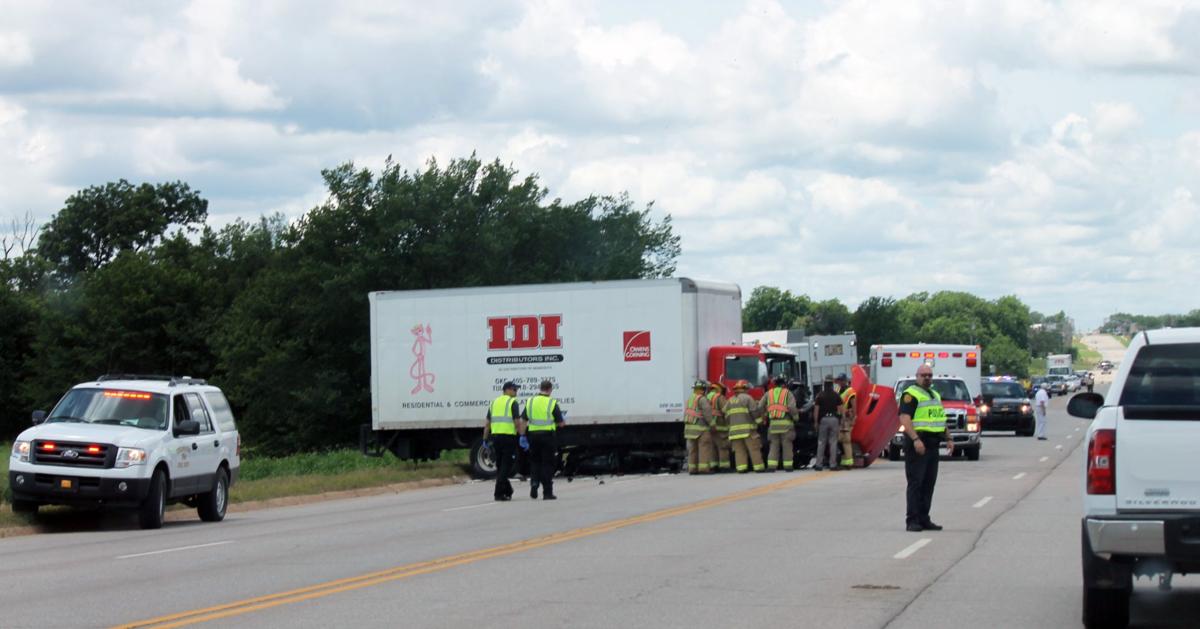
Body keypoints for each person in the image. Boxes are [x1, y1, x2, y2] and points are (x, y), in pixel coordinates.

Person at [898, 364, 952, 532]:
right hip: (918, 444)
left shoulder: (934, 394)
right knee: (916, 483)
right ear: (917, 376)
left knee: (929, 484)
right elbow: (904, 419)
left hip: (933, 444)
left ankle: (924, 518)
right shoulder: (910, 395)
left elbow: (939, 418)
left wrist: (948, 438)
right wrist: (915, 439)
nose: (927, 378)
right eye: (924, 375)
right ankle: (912, 520)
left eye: (929, 375)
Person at [523, 380, 565, 499]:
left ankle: (534, 483)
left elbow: (523, 420)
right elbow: (561, 423)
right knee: (547, 463)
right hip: (547, 437)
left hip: (533, 436)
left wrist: (522, 436)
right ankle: (547, 492)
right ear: (550, 389)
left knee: (535, 462)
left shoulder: (530, 401)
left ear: (540, 388)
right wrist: (561, 421)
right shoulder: (551, 402)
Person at [485, 381, 525, 501]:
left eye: (516, 390)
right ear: (507, 390)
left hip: (496, 437)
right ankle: (498, 493)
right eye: (514, 389)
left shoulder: (494, 402)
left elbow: (487, 423)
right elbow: (517, 422)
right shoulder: (513, 402)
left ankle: (508, 489)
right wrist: (522, 435)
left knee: (500, 465)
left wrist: (485, 439)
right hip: (508, 438)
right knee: (506, 466)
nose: (516, 392)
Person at [760, 376, 799, 471]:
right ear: (784, 384)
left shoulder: (768, 393)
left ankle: (772, 467)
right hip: (786, 426)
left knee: (774, 446)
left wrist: (764, 416)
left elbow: (760, 406)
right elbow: (792, 408)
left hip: (773, 425)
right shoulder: (788, 393)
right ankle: (788, 466)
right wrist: (796, 418)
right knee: (787, 446)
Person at [726, 380, 765, 473]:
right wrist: (760, 422)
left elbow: (726, 415)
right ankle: (759, 468)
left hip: (734, 432)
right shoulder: (748, 398)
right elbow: (754, 412)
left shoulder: (730, 400)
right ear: (744, 389)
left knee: (739, 451)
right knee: (754, 449)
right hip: (748, 431)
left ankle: (741, 468)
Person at [811, 375, 843, 471]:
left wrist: (816, 422)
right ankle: (833, 464)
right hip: (834, 420)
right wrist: (841, 420)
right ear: (832, 384)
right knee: (833, 442)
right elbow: (841, 409)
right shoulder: (836, 395)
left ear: (824, 384)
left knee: (821, 442)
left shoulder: (819, 395)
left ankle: (819, 465)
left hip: (823, 420)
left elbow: (816, 410)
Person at [683, 380, 715, 474]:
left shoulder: (690, 399)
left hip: (689, 429)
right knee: (704, 448)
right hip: (701, 429)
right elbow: (707, 413)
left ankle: (692, 469)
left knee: (692, 450)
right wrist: (712, 424)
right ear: (703, 389)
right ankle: (704, 469)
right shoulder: (702, 399)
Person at [706, 380, 732, 472]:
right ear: (719, 389)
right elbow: (726, 410)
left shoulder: (706, 397)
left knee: (712, 447)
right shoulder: (719, 397)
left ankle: (713, 466)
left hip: (708, 427)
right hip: (719, 426)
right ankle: (724, 467)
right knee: (723, 447)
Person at [835, 373, 857, 469]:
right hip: (839, 418)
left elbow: (854, 405)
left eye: (840, 380)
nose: (839, 382)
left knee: (846, 440)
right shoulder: (837, 390)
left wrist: (853, 417)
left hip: (847, 418)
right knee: (840, 440)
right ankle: (844, 461)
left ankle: (849, 463)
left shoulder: (850, 391)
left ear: (844, 381)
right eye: (838, 380)